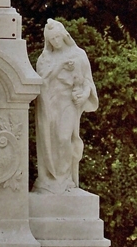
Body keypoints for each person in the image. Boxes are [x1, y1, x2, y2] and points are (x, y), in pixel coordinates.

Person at [33, 19, 98, 194]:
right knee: (50, 141)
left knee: (64, 138)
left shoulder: (79, 55)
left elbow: (88, 82)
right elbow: (42, 80)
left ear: (64, 35)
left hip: (69, 103)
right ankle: (51, 179)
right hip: (50, 104)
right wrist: (60, 65)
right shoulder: (45, 58)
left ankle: (65, 178)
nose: (55, 41)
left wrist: (84, 94)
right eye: (51, 39)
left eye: (57, 37)